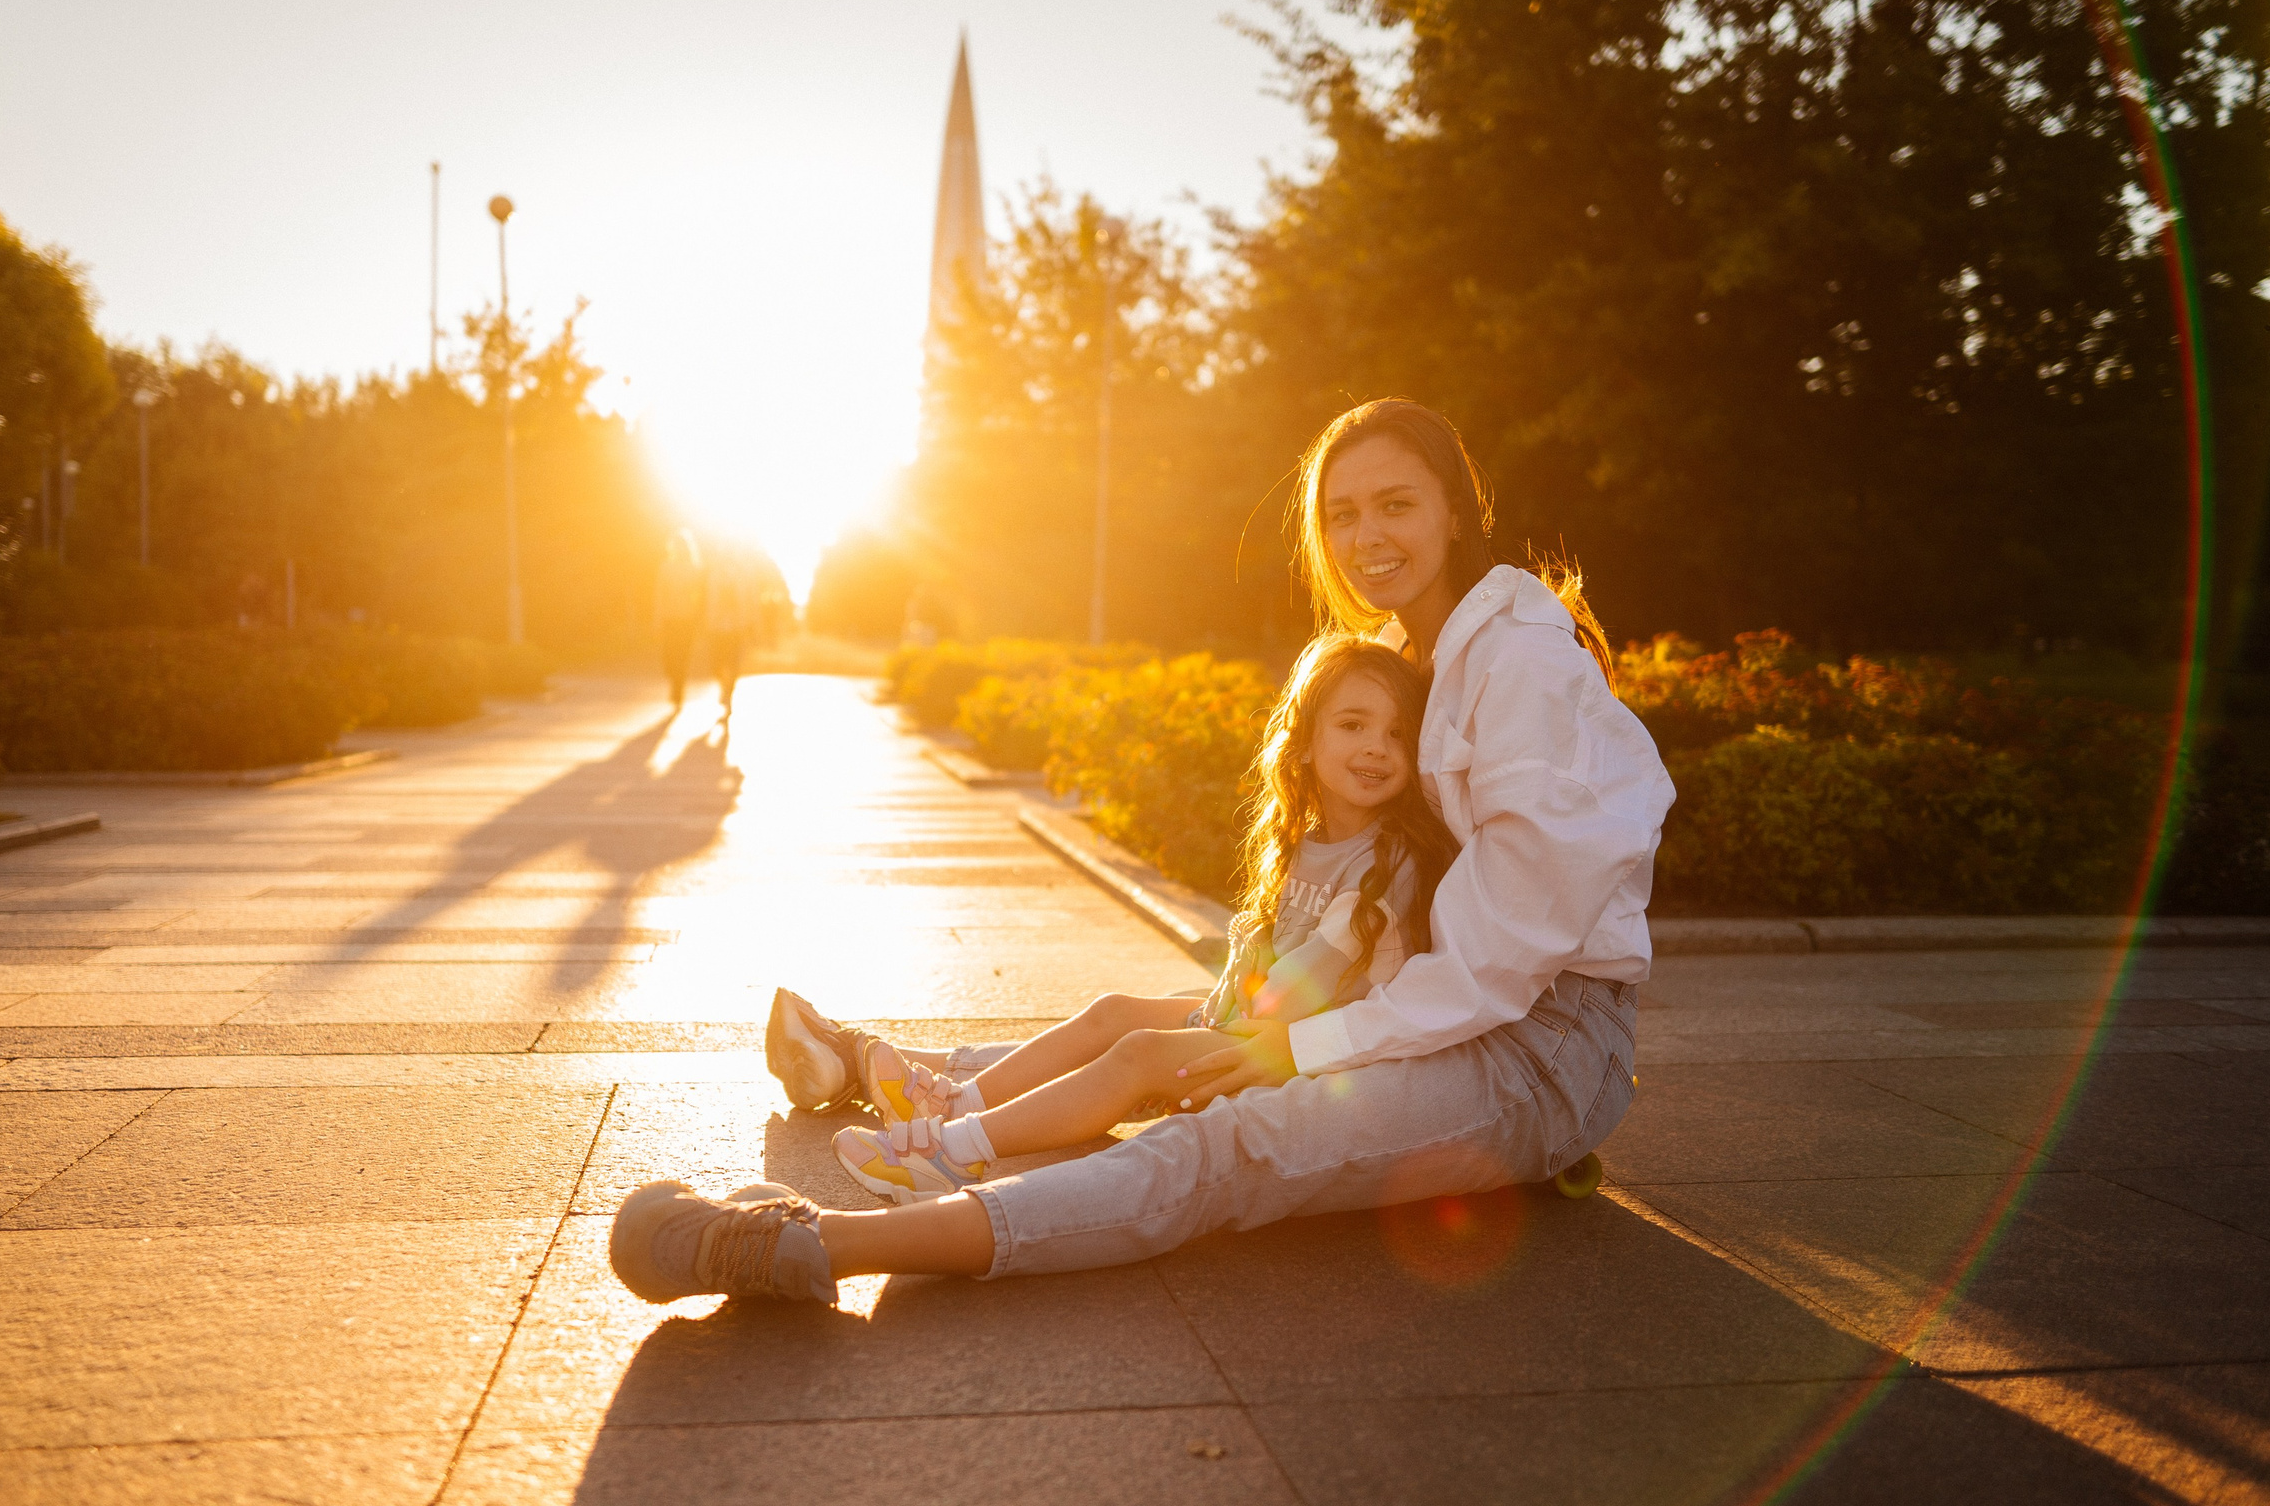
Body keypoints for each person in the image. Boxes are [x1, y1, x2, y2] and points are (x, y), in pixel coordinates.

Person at [611, 396, 1674, 1306]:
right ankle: (892, 1074)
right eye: (1342, 514)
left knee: (1226, 1143)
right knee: (1153, 1027)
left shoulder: (1518, 668)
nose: (1366, 536)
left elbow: (1499, 968)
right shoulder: (1418, 654)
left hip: (1534, 1053)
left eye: (1395, 504)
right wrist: (1271, 1017)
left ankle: (814, 1246)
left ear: (1457, 512)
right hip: (1429, 995)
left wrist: (1290, 1051)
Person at [823, 636, 1455, 1204]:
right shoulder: (1305, 839)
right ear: (1308, 739)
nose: (1378, 746)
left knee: (1140, 1054)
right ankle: (961, 1103)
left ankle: (949, 1154)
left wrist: (1210, 1024)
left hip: (1306, 1059)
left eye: (1399, 734)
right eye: (1353, 725)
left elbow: (1300, 987)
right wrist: (1219, 1006)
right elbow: (1259, 957)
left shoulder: (1388, 861)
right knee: (1115, 1010)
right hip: (1252, 1026)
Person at [699, 538, 756, 717]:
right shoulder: (713, 575)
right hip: (716, 626)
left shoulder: (743, 575)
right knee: (716, 663)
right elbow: (707, 600)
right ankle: (724, 687)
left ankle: (728, 694)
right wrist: (706, 622)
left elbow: (750, 601)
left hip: (736, 626)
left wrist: (750, 623)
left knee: (733, 663)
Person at [655, 531, 703, 709]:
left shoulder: (695, 569)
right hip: (669, 617)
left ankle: (678, 691)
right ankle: (674, 682)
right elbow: (659, 595)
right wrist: (658, 618)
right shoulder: (665, 567)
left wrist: (698, 616)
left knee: (682, 656)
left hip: (686, 618)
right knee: (669, 655)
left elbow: (699, 596)